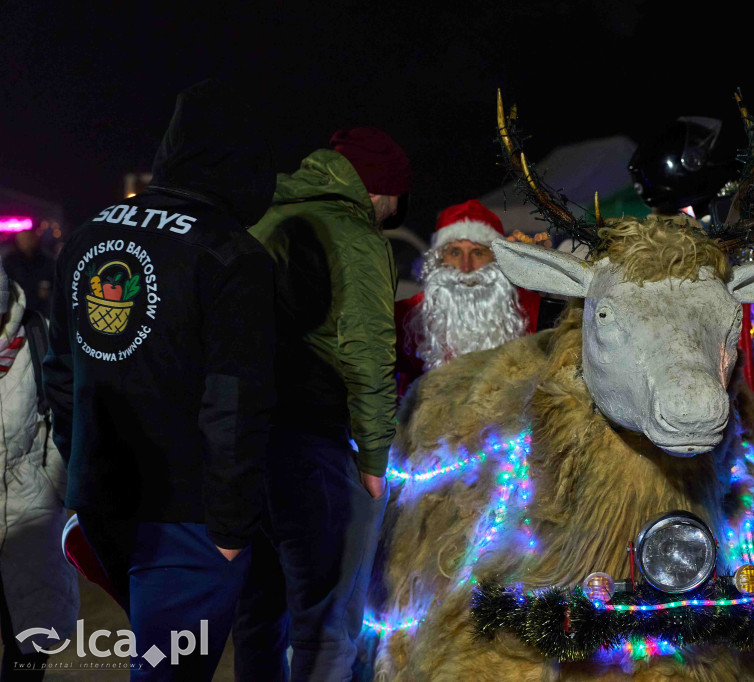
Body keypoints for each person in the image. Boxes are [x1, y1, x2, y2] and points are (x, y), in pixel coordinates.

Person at [41, 80, 277, 680]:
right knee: (170, 670)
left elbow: (62, 374)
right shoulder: (231, 254)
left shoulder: (90, 235)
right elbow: (235, 405)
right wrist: (229, 529)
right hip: (187, 515)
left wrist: (83, 467)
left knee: (156, 655)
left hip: (102, 497)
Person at [233, 127, 412, 681]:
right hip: (312, 445)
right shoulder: (357, 237)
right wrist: (375, 458)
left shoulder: (263, 218)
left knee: (258, 616)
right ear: (380, 191)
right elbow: (366, 353)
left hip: (242, 443)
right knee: (327, 623)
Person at [0, 263, 78, 680]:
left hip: (30, 507)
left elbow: (63, 417)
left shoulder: (37, 333)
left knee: (29, 643)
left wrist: (53, 485)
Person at [394, 199, 541, 399]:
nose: (465, 267)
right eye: (455, 252)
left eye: (477, 252)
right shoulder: (406, 316)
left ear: (496, 259)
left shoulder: (535, 311)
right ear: (439, 259)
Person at [3, 224, 55, 314]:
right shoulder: (10, 261)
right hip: (17, 308)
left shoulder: (46, 260)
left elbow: (54, 280)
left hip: (41, 310)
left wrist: (48, 291)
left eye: (30, 239)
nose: (27, 242)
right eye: (23, 239)